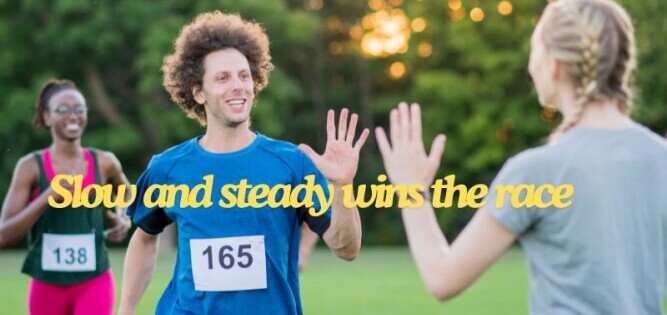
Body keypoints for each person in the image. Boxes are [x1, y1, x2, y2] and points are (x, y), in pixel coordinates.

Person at [375, 0, 667, 314]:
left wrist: (410, 188)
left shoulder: (536, 171)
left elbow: (442, 277)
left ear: (553, 65)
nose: (530, 67)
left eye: (534, 52)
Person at [118, 12, 369, 315]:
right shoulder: (167, 169)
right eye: (222, 78)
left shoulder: (291, 165)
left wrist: (342, 186)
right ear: (198, 92)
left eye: (244, 75)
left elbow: (346, 248)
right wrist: (126, 309)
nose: (238, 86)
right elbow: (145, 239)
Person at [0, 78, 132, 315]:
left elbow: (125, 192)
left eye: (79, 109)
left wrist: (123, 218)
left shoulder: (105, 162)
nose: (73, 115)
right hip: (46, 284)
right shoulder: (30, 167)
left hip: (95, 280)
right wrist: (46, 198)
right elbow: (4, 236)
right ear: (47, 117)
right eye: (63, 110)